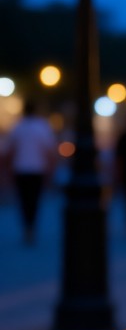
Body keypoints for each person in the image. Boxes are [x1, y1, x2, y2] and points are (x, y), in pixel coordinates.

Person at [6, 99, 58, 244]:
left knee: (23, 200)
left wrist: (8, 169)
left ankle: (27, 227)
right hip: (37, 170)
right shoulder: (42, 127)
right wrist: (51, 170)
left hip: (20, 169)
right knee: (34, 200)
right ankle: (32, 227)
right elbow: (49, 151)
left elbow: (11, 150)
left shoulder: (18, 127)